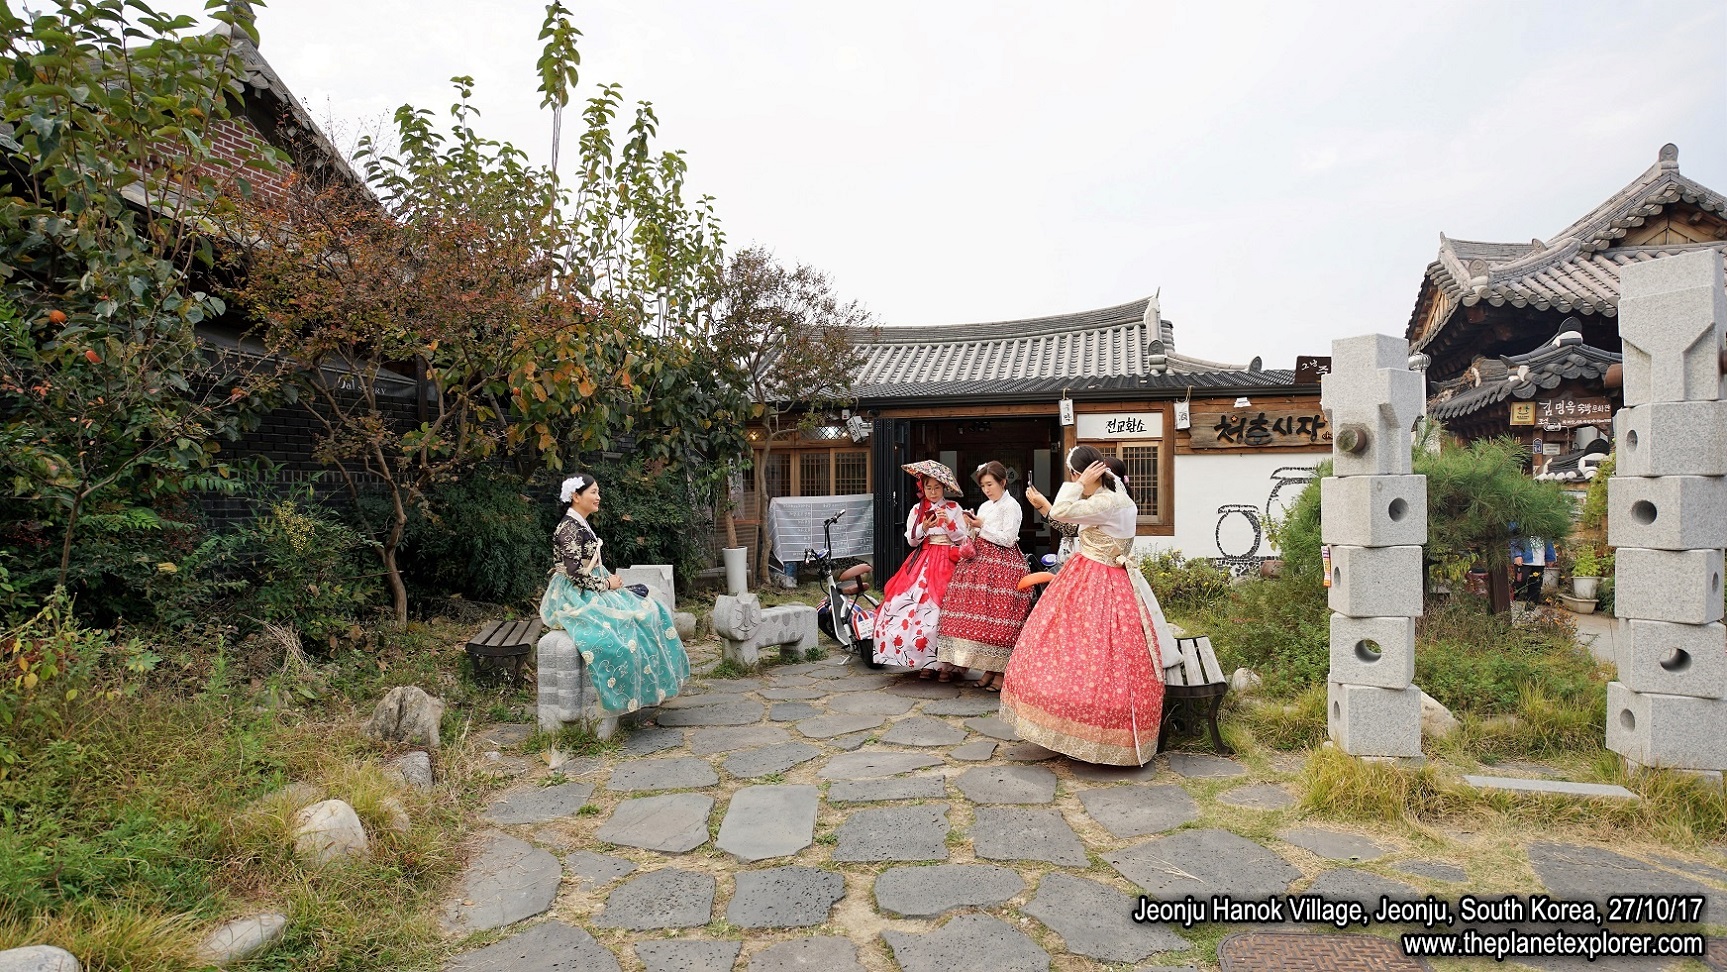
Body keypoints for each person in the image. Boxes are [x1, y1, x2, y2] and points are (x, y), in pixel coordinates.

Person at [999, 446, 1173, 766]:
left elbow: (1061, 512)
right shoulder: (1112, 500)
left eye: (1072, 474)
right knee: (1086, 653)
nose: (1072, 479)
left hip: (1098, 579)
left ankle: (1089, 732)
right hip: (1102, 577)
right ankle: (1073, 730)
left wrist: (1077, 486)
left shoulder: (1106, 501)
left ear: (1079, 474)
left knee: (1090, 655)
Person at [539, 472, 689, 720]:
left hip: (592, 587)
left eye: (598, 492)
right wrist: (607, 583)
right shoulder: (568, 527)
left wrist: (610, 582)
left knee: (654, 609)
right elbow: (574, 573)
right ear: (576, 496)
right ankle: (625, 696)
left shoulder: (580, 523)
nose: (598, 497)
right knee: (631, 622)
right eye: (593, 492)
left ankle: (651, 688)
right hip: (576, 594)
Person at [934, 461, 1035, 691]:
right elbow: (975, 534)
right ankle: (989, 668)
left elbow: (1008, 539)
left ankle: (1001, 671)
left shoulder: (1013, 506)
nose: (987, 489)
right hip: (980, 564)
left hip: (1004, 566)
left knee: (1002, 621)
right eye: (982, 486)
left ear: (1002, 481)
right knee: (981, 619)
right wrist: (972, 526)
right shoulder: (986, 506)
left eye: (990, 484)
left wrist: (983, 527)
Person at [874, 460, 972, 677]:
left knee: (942, 611)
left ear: (944, 488)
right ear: (923, 488)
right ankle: (925, 663)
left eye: (937, 488)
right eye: (929, 487)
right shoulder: (918, 509)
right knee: (910, 607)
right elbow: (911, 540)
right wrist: (923, 527)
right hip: (922, 561)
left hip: (947, 561)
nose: (933, 492)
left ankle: (946, 666)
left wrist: (949, 524)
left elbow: (962, 539)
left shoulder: (954, 508)